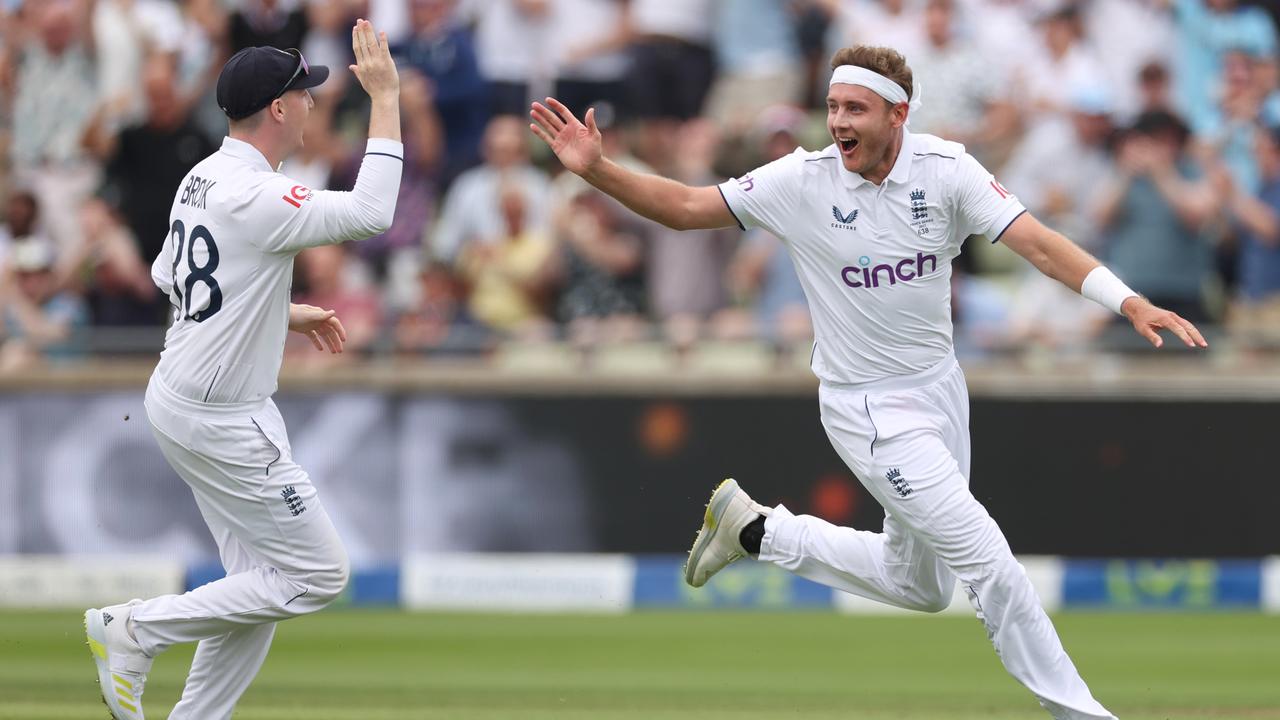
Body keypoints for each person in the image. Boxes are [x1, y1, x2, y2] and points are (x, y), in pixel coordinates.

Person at [530, 44, 1206, 719]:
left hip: (940, 389)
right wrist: (599, 171)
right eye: (832, 106)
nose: (838, 121)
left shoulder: (946, 169)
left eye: (855, 107)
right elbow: (683, 206)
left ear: (898, 114)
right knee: (988, 561)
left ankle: (760, 533)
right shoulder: (802, 180)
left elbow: (1039, 245)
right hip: (868, 409)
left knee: (921, 586)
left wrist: (1129, 301)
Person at [82, 19, 403, 720]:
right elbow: (373, 212)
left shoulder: (203, 175)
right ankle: (133, 629)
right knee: (318, 575)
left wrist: (283, 312)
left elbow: (185, 283)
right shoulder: (255, 192)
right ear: (280, 109)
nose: (316, 105)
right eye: (307, 95)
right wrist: (385, 96)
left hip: (184, 396)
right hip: (220, 415)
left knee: (258, 582)